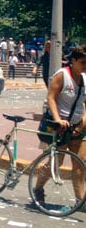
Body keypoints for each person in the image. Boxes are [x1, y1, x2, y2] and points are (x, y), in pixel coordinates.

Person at [31, 45, 86, 206]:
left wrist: (83, 120)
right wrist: (57, 119)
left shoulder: (84, 79)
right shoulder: (62, 75)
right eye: (82, 62)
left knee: (81, 162)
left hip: (78, 126)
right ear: (73, 61)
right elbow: (51, 98)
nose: (85, 66)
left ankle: (80, 200)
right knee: (57, 162)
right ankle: (38, 189)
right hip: (60, 126)